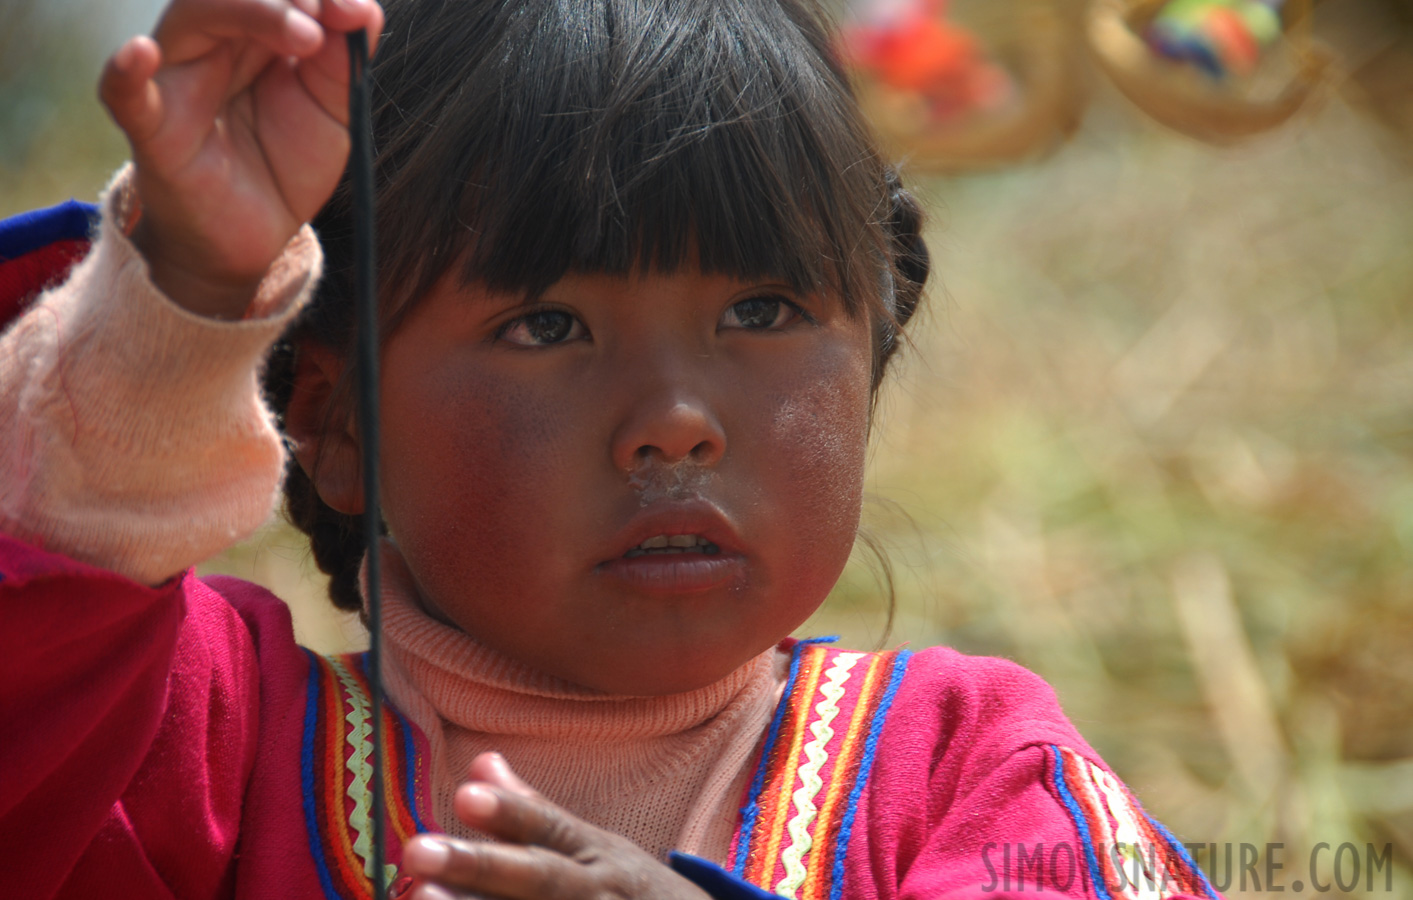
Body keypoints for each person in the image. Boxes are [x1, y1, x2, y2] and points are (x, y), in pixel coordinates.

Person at [0, 1, 1221, 899]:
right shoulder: (206, 754)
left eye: (762, 311)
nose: (675, 419)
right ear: (333, 423)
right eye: (547, 324)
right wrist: (183, 297)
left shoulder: (970, 770)